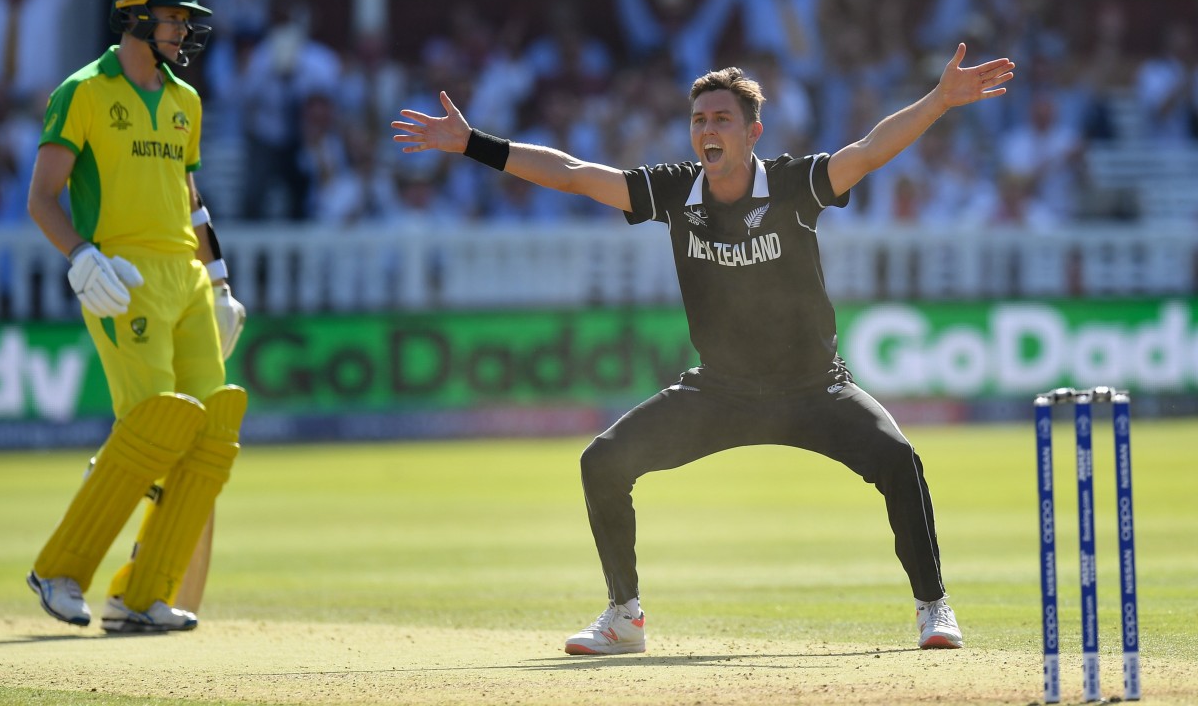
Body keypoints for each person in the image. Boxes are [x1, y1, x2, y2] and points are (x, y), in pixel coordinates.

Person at [393, 43, 1014, 654]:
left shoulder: (792, 185)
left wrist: (939, 100)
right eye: (698, 120)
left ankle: (934, 606)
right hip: (722, 391)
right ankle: (624, 616)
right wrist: (473, 144)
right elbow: (576, 175)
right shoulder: (675, 192)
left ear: (753, 132)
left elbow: (870, 150)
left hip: (815, 388)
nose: (707, 131)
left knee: (899, 460)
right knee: (602, 462)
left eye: (722, 119)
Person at [24, 0, 247, 633]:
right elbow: (41, 198)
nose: (183, 31)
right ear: (136, 16)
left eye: (186, 20)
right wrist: (81, 257)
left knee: (211, 431)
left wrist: (218, 281)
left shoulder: (185, 100)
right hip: (121, 277)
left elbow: (191, 200)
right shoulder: (83, 91)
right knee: (152, 428)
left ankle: (143, 594)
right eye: (174, 18)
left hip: (186, 278)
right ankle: (60, 571)